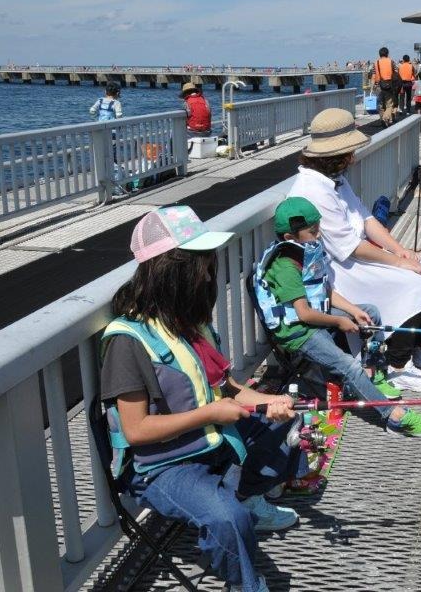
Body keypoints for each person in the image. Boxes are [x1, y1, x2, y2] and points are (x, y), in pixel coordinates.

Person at [100, 206, 306, 592]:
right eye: (203, 268)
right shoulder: (128, 342)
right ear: (170, 272)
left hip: (214, 439)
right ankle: (247, 582)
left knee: (293, 426)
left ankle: (245, 494)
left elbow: (226, 387)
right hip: (163, 467)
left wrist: (267, 402)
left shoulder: (189, 323)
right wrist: (211, 412)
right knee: (227, 519)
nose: (209, 276)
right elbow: (137, 429)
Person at [287, 108, 421, 392]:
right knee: (410, 282)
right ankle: (397, 365)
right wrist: (398, 263)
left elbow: (367, 220)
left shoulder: (336, 180)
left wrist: (401, 250)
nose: (354, 158)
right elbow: (350, 248)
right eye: (349, 152)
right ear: (335, 156)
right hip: (339, 271)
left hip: (357, 257)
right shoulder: (312, 190)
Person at [261, 196, 421, 437]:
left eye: (318, 229)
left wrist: (354, 311)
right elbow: (303, 313)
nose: (319, 235)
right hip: (299, 332)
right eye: (313, 232)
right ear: (290, 238)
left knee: (371, 312)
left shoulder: (306, 251)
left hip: (315, 315)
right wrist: (339, 321)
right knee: (347, 366)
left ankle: (370, 372)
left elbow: (324, 291)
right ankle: (393, 418)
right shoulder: (285, 267)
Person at [371, 46, 399, 127]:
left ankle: (382, 120)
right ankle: (385, 118)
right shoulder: (391, 62)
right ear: (387, 54)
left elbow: (373, 76)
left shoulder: (376, 63)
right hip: (389, 85)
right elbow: (396, 72)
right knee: (389, 104)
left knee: (380, 105)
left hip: (379, 86)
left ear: (379, 54)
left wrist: (372, 88)